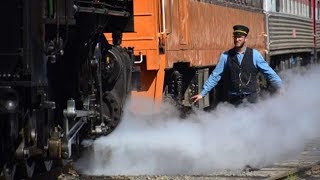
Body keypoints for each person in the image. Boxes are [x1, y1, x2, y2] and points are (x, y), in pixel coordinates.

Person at [191, 25, 283, 106]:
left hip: (251, 99)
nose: (237, 39)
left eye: (240, 37)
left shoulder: (255, 55)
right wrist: (202, 93)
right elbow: (215, 75)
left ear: (245, 39)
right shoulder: (225, 56)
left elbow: (269, 73)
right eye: (235, 36)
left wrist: (280, 87)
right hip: (233, 100)